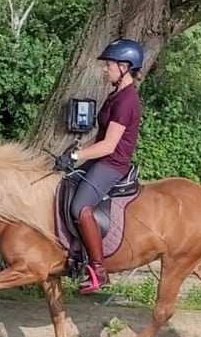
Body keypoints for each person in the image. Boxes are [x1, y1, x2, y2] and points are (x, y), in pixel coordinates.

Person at [54, 38, 145, 293]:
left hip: (112, 163)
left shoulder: (127, 101)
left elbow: (109, 145)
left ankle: (99, 269)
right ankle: (73, 254)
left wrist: (76, 157)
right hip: (99, 159)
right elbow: (101, 136)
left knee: (80, 206)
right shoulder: (114, 96)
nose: (106, 68)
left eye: (110, 64)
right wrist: (75, 152)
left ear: (125, 67)